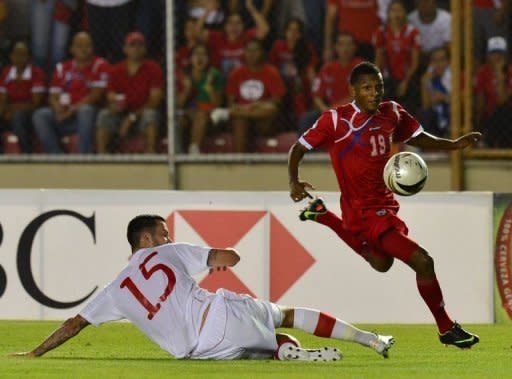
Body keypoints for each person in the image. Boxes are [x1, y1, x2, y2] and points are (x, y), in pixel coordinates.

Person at [9, 214, 394, 361]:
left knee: (261, 351)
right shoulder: (170, 252)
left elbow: (73, 325)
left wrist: (36, 352)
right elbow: (230, 256)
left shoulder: (114, 290)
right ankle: (371, 340)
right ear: (145, 240)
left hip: (201, 350)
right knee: (286, 314)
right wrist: (218, 263)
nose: (168, 236)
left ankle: (290, 354)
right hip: (221, 312)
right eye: (162, 232)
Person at [288, 62, 481, 349]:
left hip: (385, 206)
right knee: (423, 261)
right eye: (367, 87)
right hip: (361, 211)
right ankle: (446, 328)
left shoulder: (391, 112)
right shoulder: (336, 120)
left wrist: (452, 145)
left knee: (381, 263)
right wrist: (294, 181)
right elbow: (298, 147)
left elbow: (418, 137)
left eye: (378, 87)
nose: (375, 93)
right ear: (352, 90)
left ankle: (324, 216)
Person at [32, 32, 110, 154]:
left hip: (88, 118)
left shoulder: (100, 65)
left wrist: (71, 110)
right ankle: (56, 157)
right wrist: (57, 108)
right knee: (41, 115)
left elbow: (96, 95)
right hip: (65, 116)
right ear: (72, 49)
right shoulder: (62, 67)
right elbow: (53, 96)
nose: (84, 49)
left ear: (92, 48)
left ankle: (84, 157)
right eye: (79, 46)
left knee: (86, 110)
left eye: (87, 45)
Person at [211, 38, 286, 153]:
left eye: (255, 51)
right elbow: (231, 102)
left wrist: (255, 105)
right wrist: (245, 110)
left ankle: (230, 113)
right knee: (240, 121)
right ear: (244, 53)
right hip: (241, 118)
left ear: (262, 53)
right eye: (249, 51)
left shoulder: (271, 72)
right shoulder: (236, 73)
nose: (252, 54)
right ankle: (240, 162)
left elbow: (277, 101)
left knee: (271, 109)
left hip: (262, 118)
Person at [96, 32, 163, 154]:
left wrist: (132, 118)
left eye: (140, 45)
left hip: (141, 115)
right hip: (121, 113)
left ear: (145, 49)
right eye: (132, 45)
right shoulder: (116, 70)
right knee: (104, 115)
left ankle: (150, 154)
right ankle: (102, 156)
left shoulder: (153, 68)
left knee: (151, 115)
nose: (136, 48)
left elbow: (154, 101)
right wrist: (113, 104)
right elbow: (110, 95)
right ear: (125, 49)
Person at [298, 33, 363, 136]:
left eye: (349, 44)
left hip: (353, 111)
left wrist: (335, 109)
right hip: (329, 111)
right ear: (336, 48)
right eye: (341, 45)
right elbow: (316, 95)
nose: (345, 48)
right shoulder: (327, 68)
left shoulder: (361, 67)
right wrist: (324, 109)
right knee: (307, 118)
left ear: (354, 48)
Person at [197, 0, 270, 76]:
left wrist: (251, 8)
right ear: (225, 26)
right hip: (219, 81)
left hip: (242, 79)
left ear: (243, 27)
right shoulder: (217, 37)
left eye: (238, 23)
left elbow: (264, 29)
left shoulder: (247, 36)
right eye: (230, 23)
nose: (234, 27)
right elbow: (197, 32)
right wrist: (207, 11)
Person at [269, 18, 318, 126]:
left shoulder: (307, 48)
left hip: (300, 83)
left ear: (300, 34)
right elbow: (271, 69)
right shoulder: (278, 46)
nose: (293, 34)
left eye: (296, 31)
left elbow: (311, 71)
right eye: (290, 30)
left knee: (298, 90)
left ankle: (301, 124)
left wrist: (315, 90)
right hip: (280, 82)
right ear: (285, 32)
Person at [177, 44, 224, 154]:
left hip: (209, 114)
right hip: (187, 113)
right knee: (178, 120)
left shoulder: (214, 75)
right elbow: (177, 105)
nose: (200, 57)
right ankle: (177, 152)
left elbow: (218, 105)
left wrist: (209, 88)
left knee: (201, 114)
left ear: (208, 59)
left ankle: (194, 150)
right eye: (196, 54)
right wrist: (187, 89)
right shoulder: (182, 75)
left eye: (203, 54)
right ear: (190, 59)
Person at [0, 41, 46, 153]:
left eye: (23, 54)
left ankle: (26, 154)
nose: (19, 58)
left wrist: (12, 110)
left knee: (18, 117)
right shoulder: (6, 73)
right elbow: (2, 100)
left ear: (29, 57)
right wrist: (3, 112)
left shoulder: (37, 73)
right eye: (16, 54)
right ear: (11, 56)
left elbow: (35, 104)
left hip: (29, 115)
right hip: (8, 113)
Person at [373, 0, 420, 107]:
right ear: (388, 14)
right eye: (393, 11)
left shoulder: (412, 32)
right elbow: (378, 60)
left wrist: (405, 82)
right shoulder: (381, 32)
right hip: (388, 79)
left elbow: (415, 62)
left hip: (408, 78)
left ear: (405, 13)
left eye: (399, 10)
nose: (396, 14)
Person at [474, 36, 512, 148]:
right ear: (487, 55)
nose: (497, 56)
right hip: (489, 116)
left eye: (500, 53)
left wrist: (500, 75)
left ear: (506, 55)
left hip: (508, 116)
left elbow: (502, 99)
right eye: (493, 53)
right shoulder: (483, 72)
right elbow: (480, 104)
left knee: (503, 110)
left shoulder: (510, 71)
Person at [419, 46, 451, 138]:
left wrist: (444, 97)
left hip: (451, 117)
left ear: (448, 62)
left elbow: (463, 100)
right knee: (424, 113)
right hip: (436, 119)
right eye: (435, 61)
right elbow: (426, 106)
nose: (438, 64)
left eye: (442, 60)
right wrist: (424, 83)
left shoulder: (455, 76)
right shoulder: (429, 78)